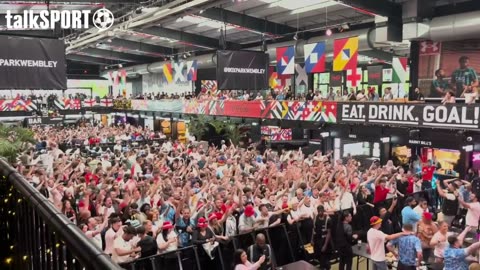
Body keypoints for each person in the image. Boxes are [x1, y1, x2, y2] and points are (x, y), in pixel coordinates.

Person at [312, 205, 332, 270]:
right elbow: (314, 229)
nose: (320, 213)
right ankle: (322, 266)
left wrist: (325, 245)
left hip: (325, 241)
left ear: (323, 211)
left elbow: (329, 233)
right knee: (319, 257)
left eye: (321, 211)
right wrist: (312, 239)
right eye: (319, 211)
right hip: (317, 240)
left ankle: (326, 267)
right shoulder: (316, 218)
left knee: (325, 258)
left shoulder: (328, 219)